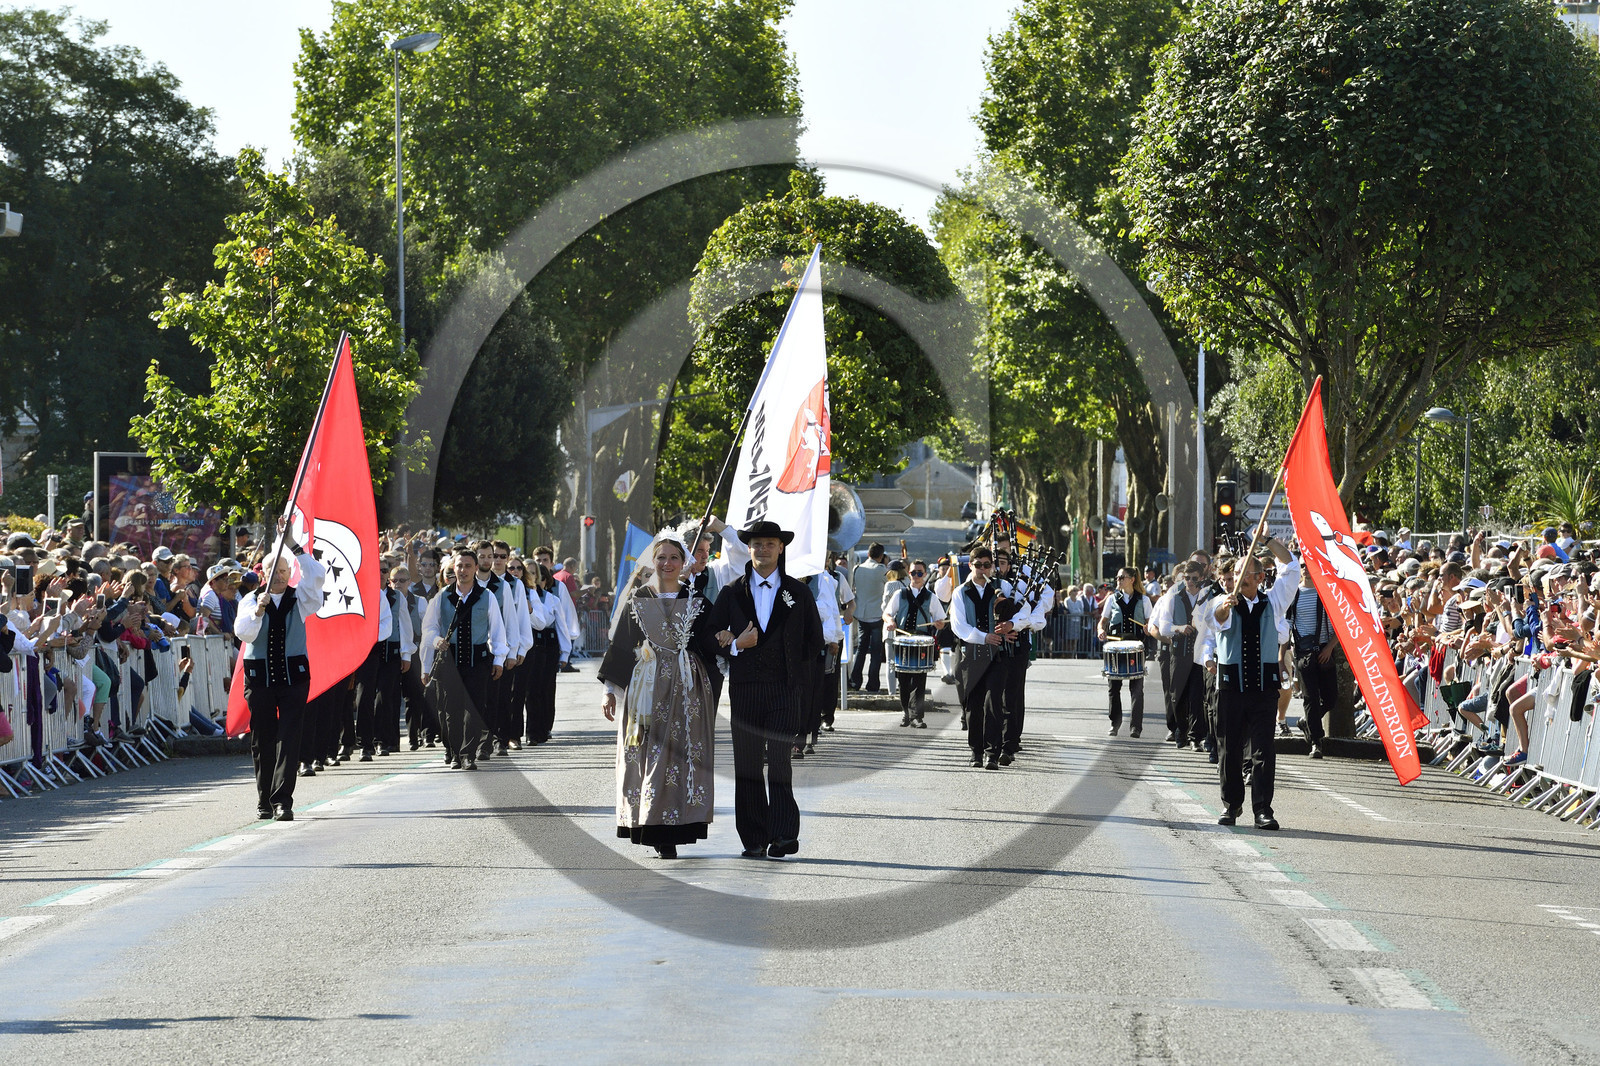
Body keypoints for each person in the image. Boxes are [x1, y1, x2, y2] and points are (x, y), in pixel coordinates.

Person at [598, 530, 721, 859]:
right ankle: (651, 824)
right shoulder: (638, 600)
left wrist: (730, 640)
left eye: (674, 558)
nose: (667, 563)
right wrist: (610, 691)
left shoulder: (698, 600)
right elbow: (622, 647)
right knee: (648, 756)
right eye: (662, 557)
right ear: (653, 562)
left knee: (680, 758)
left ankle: (677, 824)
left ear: (684, 563)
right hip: (646, 687)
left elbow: (709, 644)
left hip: (686, 689)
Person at [709, 520, 824, 860]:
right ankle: (754, 838)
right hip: (745, 691)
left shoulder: (798, 592)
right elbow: (710, 634)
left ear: (781, 548)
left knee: (778, 763)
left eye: (770, 543)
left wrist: (799, 681)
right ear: (749, 548)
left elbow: (814, 641)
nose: (763, 549)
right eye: (757, 544)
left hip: (785, 692)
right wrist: (731, 644)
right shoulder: (731, 592)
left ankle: (785, 835)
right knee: (747, 766)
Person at [233, 527, 327, 821]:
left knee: (289, 737)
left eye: (285, 570)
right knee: (263, 738)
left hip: (293, 678)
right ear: (264, 572)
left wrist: (295, 548)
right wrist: (258, 612)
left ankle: (283, 800)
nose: (281, 576)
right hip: (260, 679)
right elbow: (244, 634)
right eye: (275, 570)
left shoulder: (301, 599)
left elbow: (318, 577)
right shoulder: (250, 601)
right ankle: (265, 799)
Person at [1211, 530, 1299, 830]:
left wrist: (1267, 540)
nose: (1238, 577)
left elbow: (1292, 568)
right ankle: (1231, 805)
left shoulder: (1273, 602)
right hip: (1231, 686)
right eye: (1236, 571)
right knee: (1230, 748)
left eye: (1245, 572)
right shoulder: (1221, 602)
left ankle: (1263, 809)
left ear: (1260, 577)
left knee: (1264, 749)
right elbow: (1218, 618)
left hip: (1263, 686)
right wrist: (1227, 604)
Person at [420, 546, 508, 770]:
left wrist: (498, 660)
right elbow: (428, 629)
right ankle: (454, 752)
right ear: (453, 568)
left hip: (478, 661)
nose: (463, 570)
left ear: (476, 568)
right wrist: (436, 641)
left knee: (475, 709)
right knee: (451, 710)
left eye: (468, 566)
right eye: (459, 566)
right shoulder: (442, 597)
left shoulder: (486, 596)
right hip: (450, 662)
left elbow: (497, 631)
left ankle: (468, 754)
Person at [950, 546, 1012, 769]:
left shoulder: (1002, 587)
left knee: (993, 703)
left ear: (992, 567)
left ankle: (992, 754)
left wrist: (1012, 624)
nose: (982, 569)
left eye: (987, 565)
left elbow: (1020, 611)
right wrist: (984, 637)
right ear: (971, 565)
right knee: (973, 706)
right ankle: (975, 752)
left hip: (997, 657)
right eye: (978, 565)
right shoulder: (960, 592)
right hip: (972, 657)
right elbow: (958, 626)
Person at [882, 559, 946, 727]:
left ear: (924, 575)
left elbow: (941, 619)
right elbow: (887, 613)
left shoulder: (931, 597)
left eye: (919, 573)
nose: (916, 576)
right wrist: (889, 621)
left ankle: (917, 716)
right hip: (902, 640)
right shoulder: (899, 594)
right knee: (903, 680)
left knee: (919, 679)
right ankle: (906, 713)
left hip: (922, 642)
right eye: (913, 573)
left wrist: (940, 623)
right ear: (908, 574)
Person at [1153, 562, 1205, 750]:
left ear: (1201, 577)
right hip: (1179, 650)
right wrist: (1179, 628)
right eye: (1187, 578)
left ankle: (1195, 737)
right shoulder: (1173, 596)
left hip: (1199, 652)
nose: (1190, 582)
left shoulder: (1206, 594)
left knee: (1197, 695)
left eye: (1194, 578)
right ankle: (1180, 730)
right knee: (1177, 694)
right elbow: (1164, 626)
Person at [1289, 562, 1337, 759]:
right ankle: (1317, 743)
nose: (1306, 569)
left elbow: (1338, 626)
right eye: (1302, 565)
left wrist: (1329, 648)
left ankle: (1307, 722)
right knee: (1310, 698)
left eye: (1310, 565)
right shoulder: (1295, 594)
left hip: (1325, 650)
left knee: (1331, 698)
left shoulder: (1325, 593)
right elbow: (1289, 625)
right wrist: (1286, 656)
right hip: (1303, 653)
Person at [1098, 567, 1153, 737]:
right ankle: (1115, 723)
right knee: (1113, 687)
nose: (1119, 580)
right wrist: (1101, 630)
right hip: (1115, 648)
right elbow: (1103, 621)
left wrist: (1148, 628)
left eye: (1122, 577)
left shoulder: (1144, 600)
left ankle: (1135, 727)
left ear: (1132, 579)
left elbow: (1150, 623)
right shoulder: (1112, 599)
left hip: (1136, 647)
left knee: (1136, 689)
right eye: (1117, 577)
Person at [522, 561, 562, 744]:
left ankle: (535, 731)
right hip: (517, 645)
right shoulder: (511, 590)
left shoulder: (539, 595)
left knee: (537, 691)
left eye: (533, 573)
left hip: (539, 647)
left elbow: (544, 622)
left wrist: (566, 653)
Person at [848, 542, 888, 691]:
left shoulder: (857, 568)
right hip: (877, 614)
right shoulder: (881, 569)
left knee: (860, 650)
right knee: (876, 652)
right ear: (881, 556)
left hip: (862, 614)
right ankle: (872, 684)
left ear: (869, 554)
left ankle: (855, 681)